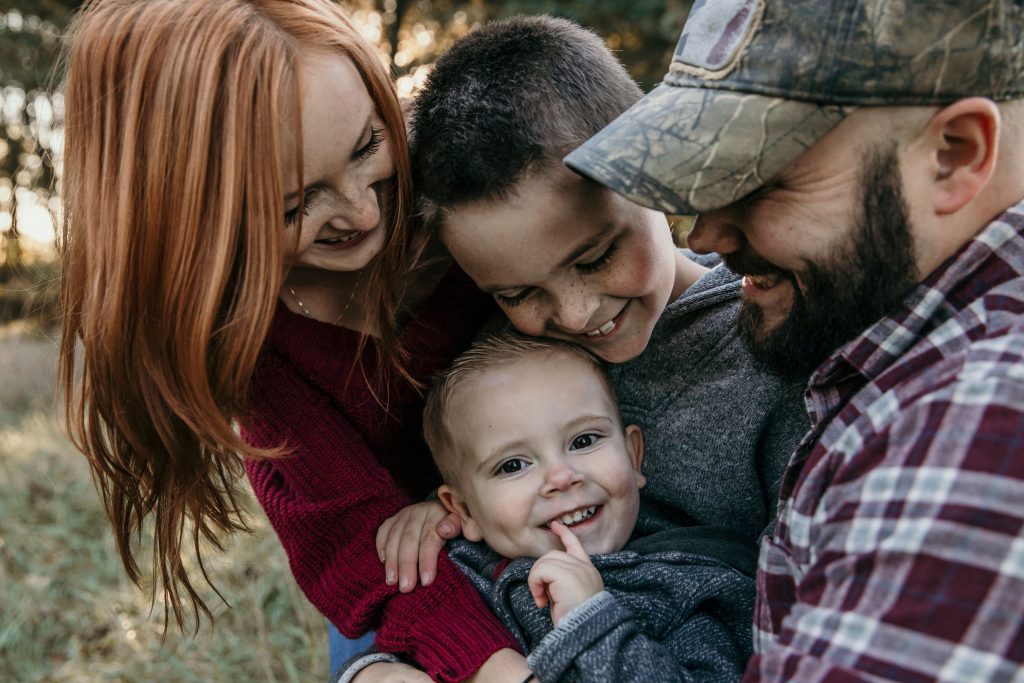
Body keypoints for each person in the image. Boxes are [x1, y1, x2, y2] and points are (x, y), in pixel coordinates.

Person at [57, 1, 529, 681]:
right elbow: (359, 545)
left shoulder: (458, 181)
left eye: (369, 146)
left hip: (561, 508)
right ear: (201, 217)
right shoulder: (253, 342)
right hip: (404, 578)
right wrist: (502, 669)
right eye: (293, 204)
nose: (363, 212)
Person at [563, 0, 1024, 679]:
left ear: (955, 154)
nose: (706, 237)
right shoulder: (894, 353)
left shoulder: (973, 429)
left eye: (760, 177)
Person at [375, 14, 809, 602]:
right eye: (520, 293)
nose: (576, 315)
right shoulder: (502, 356)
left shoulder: (770, 349)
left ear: (653, 179)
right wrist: (445, 517)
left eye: (598, 256)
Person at [343, 332, 757, 682]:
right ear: (464, 511)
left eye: (584, 441)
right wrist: (370, 671)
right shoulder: (459, 579)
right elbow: (410, 655)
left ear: (633, 457)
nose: (562, 476)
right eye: (513, 465)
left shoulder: (682, 586)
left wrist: (594, 621)